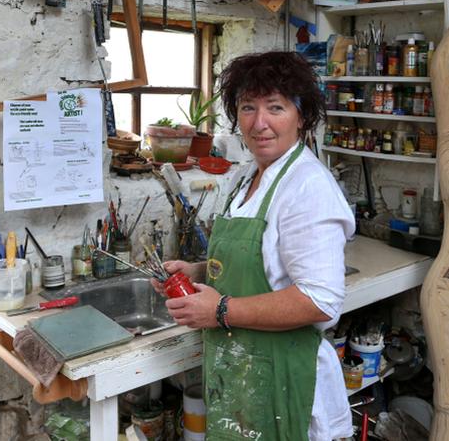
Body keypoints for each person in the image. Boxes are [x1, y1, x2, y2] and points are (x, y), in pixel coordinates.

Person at [151, 51, 355, 440]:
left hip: (287, 380)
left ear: (302, 116)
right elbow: (260, 263)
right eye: (248, 108)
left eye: (275, 108)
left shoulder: (307, 186)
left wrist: (221, 309)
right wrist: (197, 272)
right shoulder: (246, 179)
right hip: (246, 375)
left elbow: (321, 300)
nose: (259, 123)